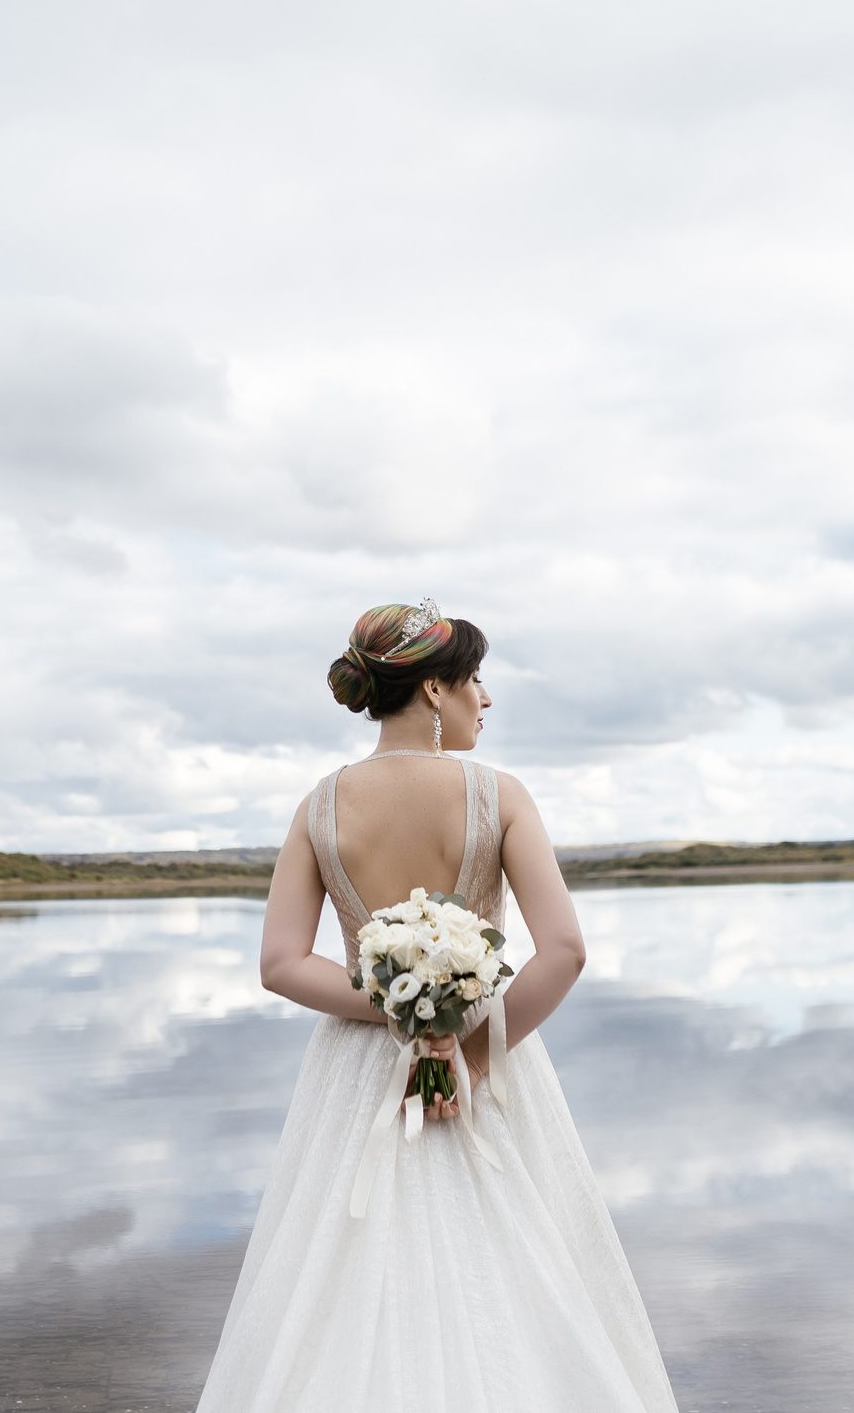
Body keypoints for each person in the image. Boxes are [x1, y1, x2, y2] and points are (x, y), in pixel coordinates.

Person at [196, 601, 679, 1413]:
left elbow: (281, 963)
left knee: (343, 1286)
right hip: (496, 1067)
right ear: (430, 689)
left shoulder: (318, 806)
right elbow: (564, 950)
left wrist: (397, 1012)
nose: (485, 699)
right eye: (475, 680)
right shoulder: (500, 794)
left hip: (354, 1077)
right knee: (520, 1275)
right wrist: (467, 1052)